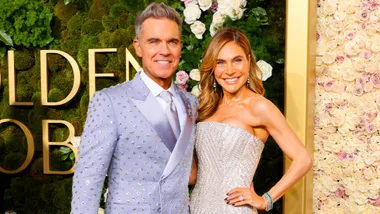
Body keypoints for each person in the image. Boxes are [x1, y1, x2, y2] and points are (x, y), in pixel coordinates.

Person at [71, 3, 198, 214]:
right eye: (154, 41)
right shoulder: (110, 102)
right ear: (138, 47)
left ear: (180, 47)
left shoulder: (191, 103)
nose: (164, 50)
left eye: (172, 42)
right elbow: (88, 178)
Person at [189, 27, 312, 213]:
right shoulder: (204, 108)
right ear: (212, 68)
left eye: (237, 60)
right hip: (197, 208)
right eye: (220, 62)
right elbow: (194, 174)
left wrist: (266, 199)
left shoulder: (260, 107)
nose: (229, 70)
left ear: (248, 61)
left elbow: (303, 159)